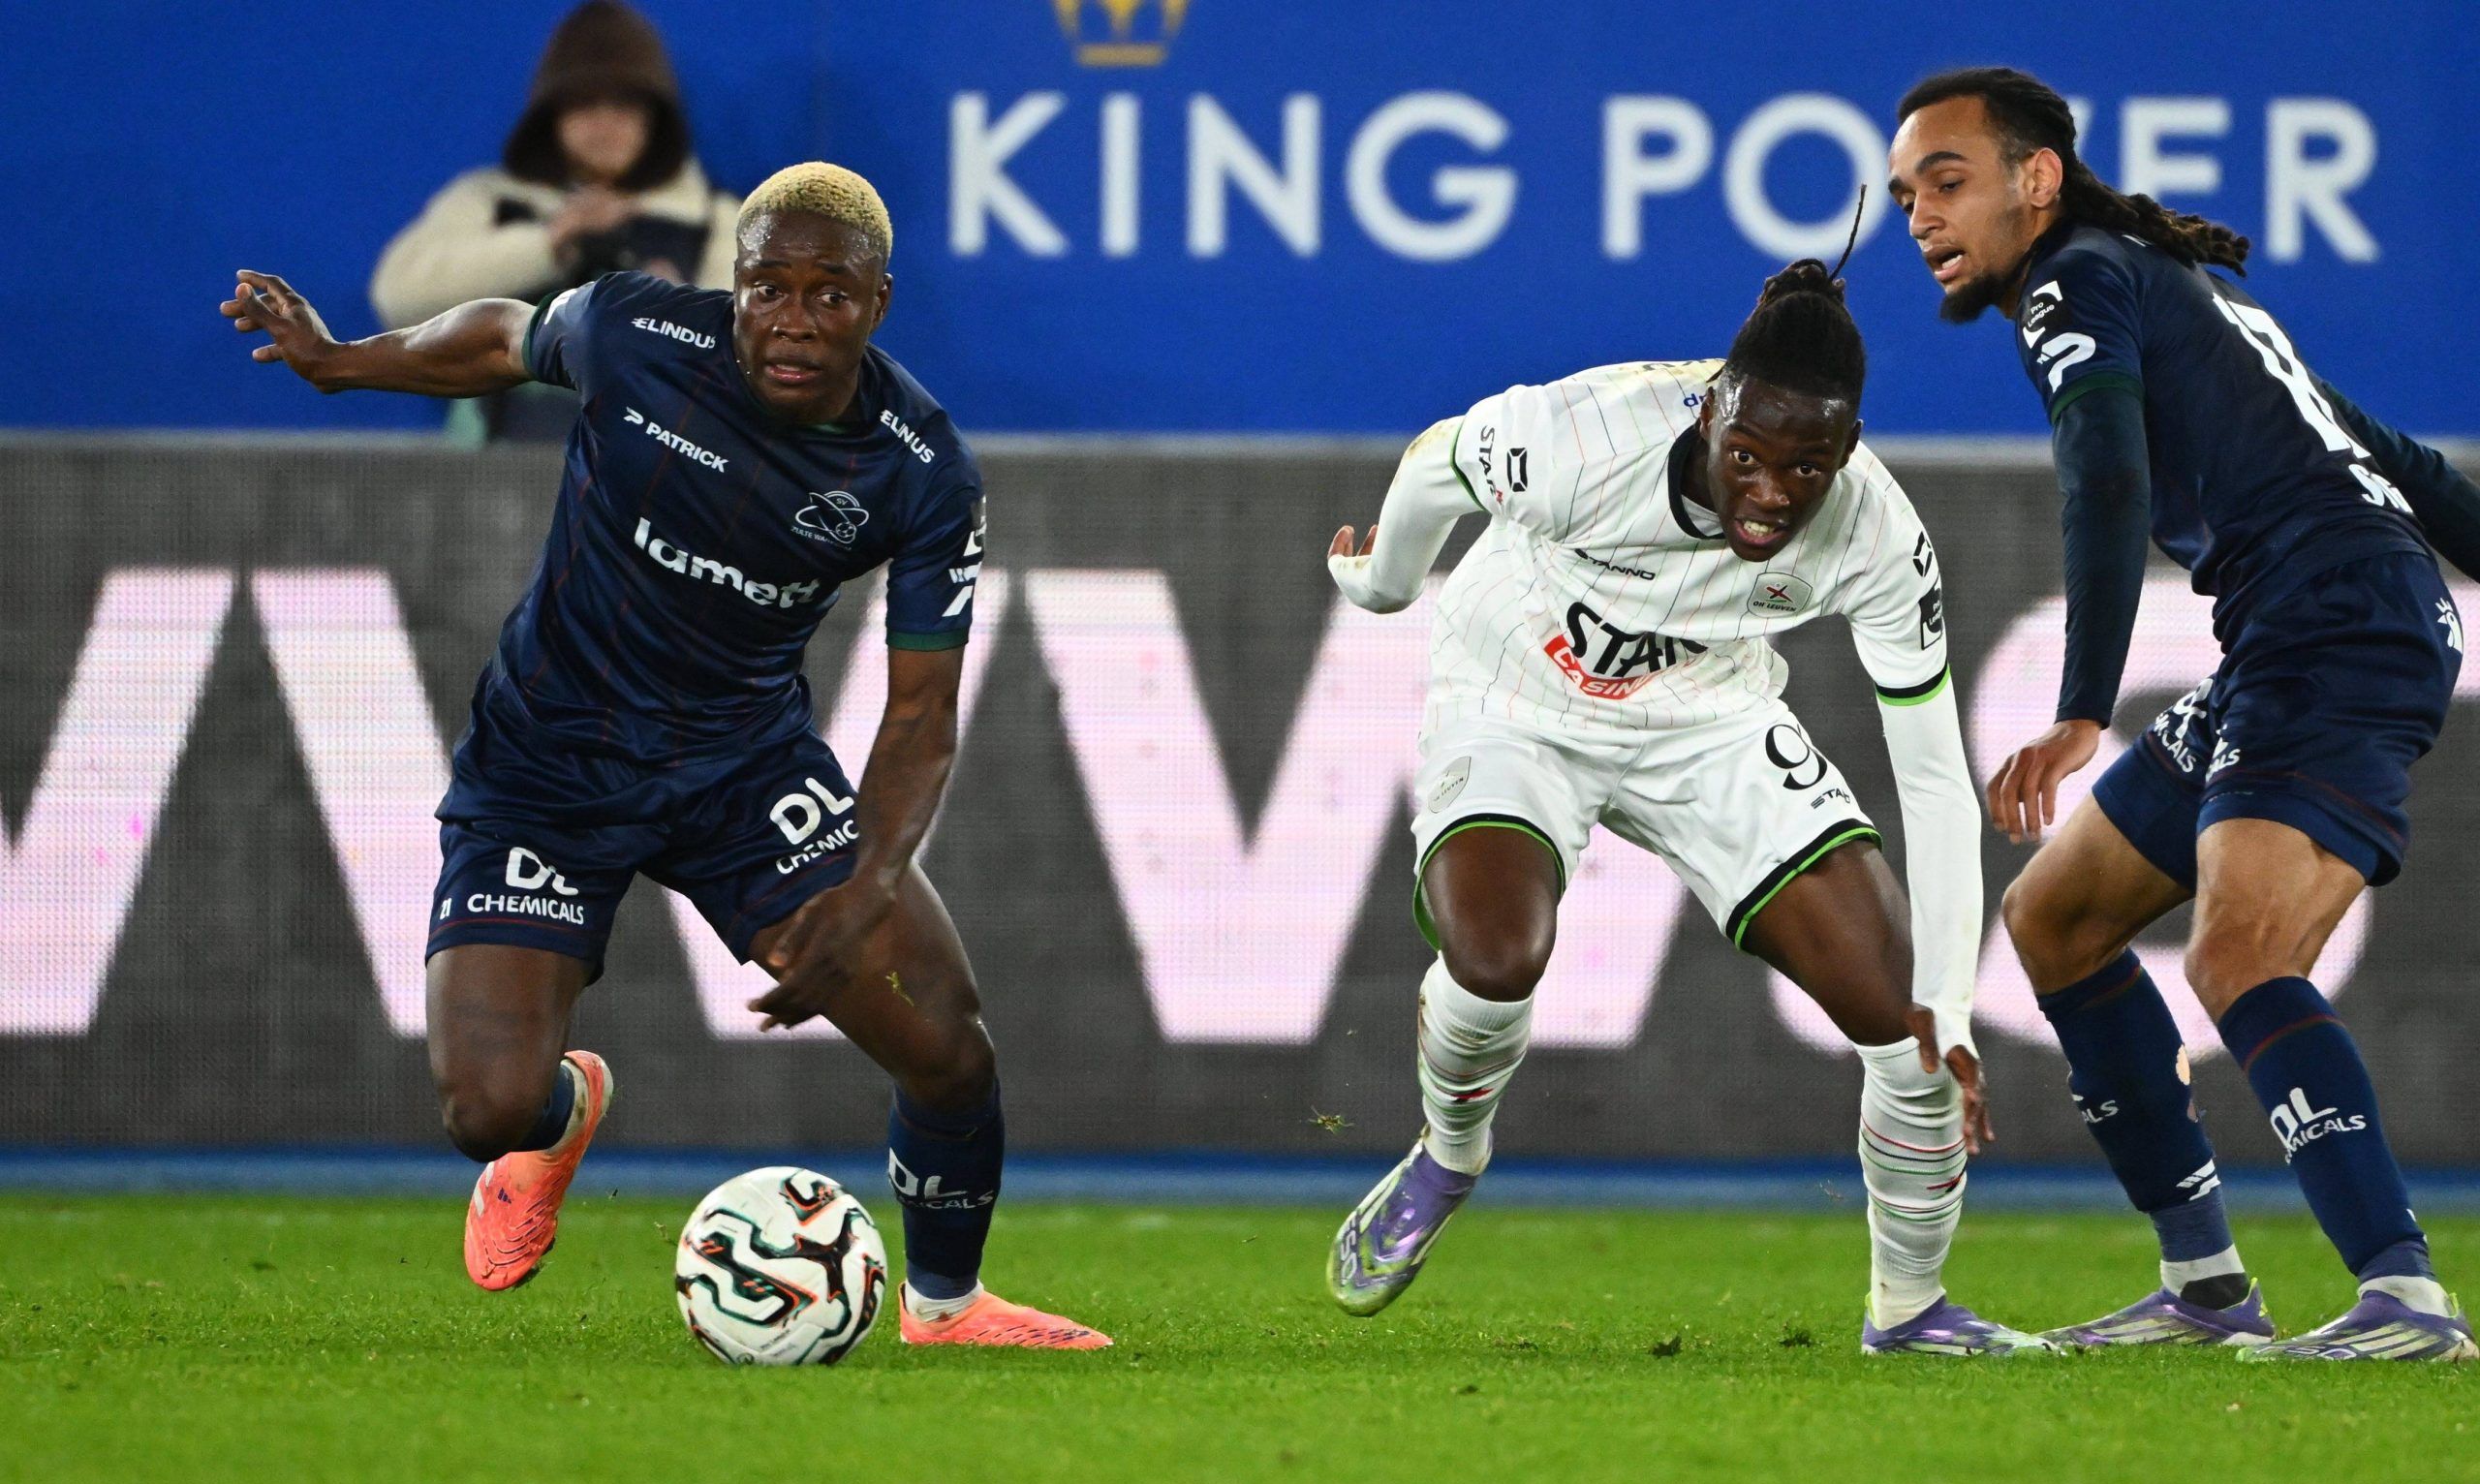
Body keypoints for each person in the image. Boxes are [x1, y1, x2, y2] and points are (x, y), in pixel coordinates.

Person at [222, 162, 1108, 1350]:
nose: (795, 320)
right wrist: (343, 362)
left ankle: (945, 1307)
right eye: (768, 289)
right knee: (485, 1110)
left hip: (741, 774)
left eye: (829, 295)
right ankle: (561, 1113)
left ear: (879, 303)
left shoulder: (920, 470)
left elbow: (919, 712)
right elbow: (499, 337)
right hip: (546, 765)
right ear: (732, 286)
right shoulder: (638, 330)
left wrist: (872, 882)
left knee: (945, 1043)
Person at [1321, 262, 2049, 1355]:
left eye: (1807, 466)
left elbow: (1935, 775)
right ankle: (1448, 1153)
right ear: (1710, 406)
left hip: (1707, 715)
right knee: (1496, 953)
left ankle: (1909, 1310)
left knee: (1896, 1013)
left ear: (1847, 452)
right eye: (1748, 455)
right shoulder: (1581, 438)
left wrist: (1950, 1002)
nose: (1769, 492)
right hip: (1519, 688)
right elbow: (1438, 464)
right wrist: (1382, 584)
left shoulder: (1876, 534)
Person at [1889, 68, 2480, 1360]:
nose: (1920, 215)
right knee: (2056, 916)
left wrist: (2079, 707)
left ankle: (2403, 1296)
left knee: (2237, 953)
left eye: (1948, 180)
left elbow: (2105, 475)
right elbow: (2394, 456)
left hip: (2334, 623)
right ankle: (2207, 1283)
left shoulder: (2070, 282)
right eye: (1903, 195)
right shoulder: (2168, 283)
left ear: (2034, 180)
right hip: (2302, 625)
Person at [371, 0, 740, 441]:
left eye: (623, 105)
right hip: (496, 471)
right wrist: (550, 243)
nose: (604, 125)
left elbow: (742, 355)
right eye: (584, 104)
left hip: (651, 481)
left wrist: (673, 306)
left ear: (655, 120)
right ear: (552, 116)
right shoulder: (492, 201)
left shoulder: (712, 217)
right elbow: (399, 298)